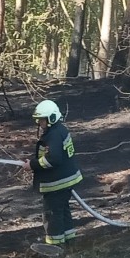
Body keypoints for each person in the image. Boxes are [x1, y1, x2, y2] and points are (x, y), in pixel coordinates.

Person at [22, 100, 83, 246]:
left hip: (57, 183)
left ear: (52, 118)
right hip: (65, 180)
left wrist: (33, 165)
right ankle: (69, 243)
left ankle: (54, 248)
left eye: (42, 119)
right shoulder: (60, 130)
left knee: (52, 215)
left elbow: (53, 159)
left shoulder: (53, 135)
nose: (39, 122)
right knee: (62, 212)